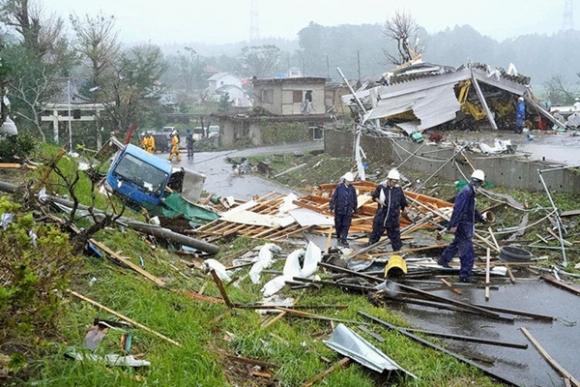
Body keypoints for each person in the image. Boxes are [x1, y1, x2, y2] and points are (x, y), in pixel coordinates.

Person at [438, 169, 488, 282]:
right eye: (480, 183)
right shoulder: (466, 192)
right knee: (467, 252)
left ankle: (443, 260)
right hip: (463, 225)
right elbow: (458, 209)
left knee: (456, 244)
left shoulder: (470, 191)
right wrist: (454, 225)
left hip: (465, 224)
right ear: (479, 182)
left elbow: (472, 209)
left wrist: (481, 218)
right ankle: (465, 275)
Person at [368, 169, 408, 251]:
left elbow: (403, 202)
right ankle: (370, 249)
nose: (395, 183)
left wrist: (405, 209)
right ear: (389, 180)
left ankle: (397, 252)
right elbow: (374, 196)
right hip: (382, 215)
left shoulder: (398, 189)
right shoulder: (381, 187)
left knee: (395, 237)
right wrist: (378, 201)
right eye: (393, 181)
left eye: (396, 182)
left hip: (393, 217)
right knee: (376, 234)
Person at [329, 172, 357, 247]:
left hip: (348, 211)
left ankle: (344, 239)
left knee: (346, 225)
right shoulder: (339, 187)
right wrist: (331, 206)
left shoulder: (352, 189)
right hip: (339, 210)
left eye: (350, 181)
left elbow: (354, 199)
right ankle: (339, 235)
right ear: (345, 180)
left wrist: (355, 208)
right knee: (338, 224)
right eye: (348, 181)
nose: (349, 183)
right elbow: (334, 197)